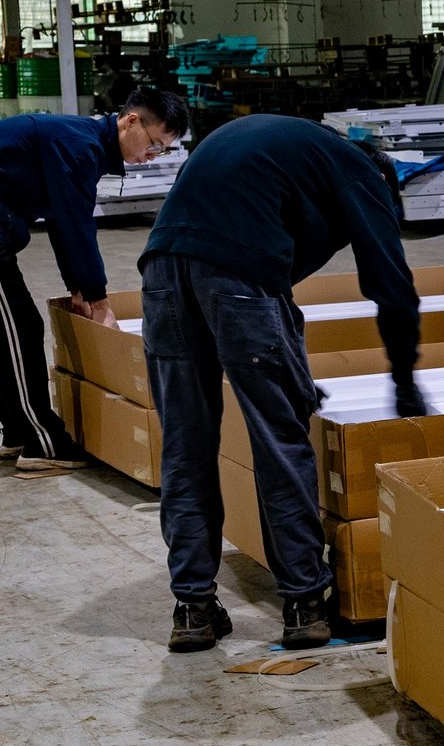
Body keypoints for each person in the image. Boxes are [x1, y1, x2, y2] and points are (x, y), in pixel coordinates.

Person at [139, 115, 423, 654]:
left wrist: (290, 370)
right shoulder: (362, 174)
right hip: (233, 279)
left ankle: (193, 608)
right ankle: (303, 601)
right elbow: (391, 284)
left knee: (185, 443)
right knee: (278, 438)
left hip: (160, 276)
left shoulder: (286, 151)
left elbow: (258, 261)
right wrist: (405, 381)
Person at [0, 88, 189, 472]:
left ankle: (17, 430)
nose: (151, 156)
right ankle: (41, 441)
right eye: (154, 143)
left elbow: (65, 221)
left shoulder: (85, 143)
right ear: (132, 121)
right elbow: (73, 223)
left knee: (5, 327)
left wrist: (80, 288)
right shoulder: (80, 146)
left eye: (162, 151)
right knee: (12, 330)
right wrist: (97, 300)